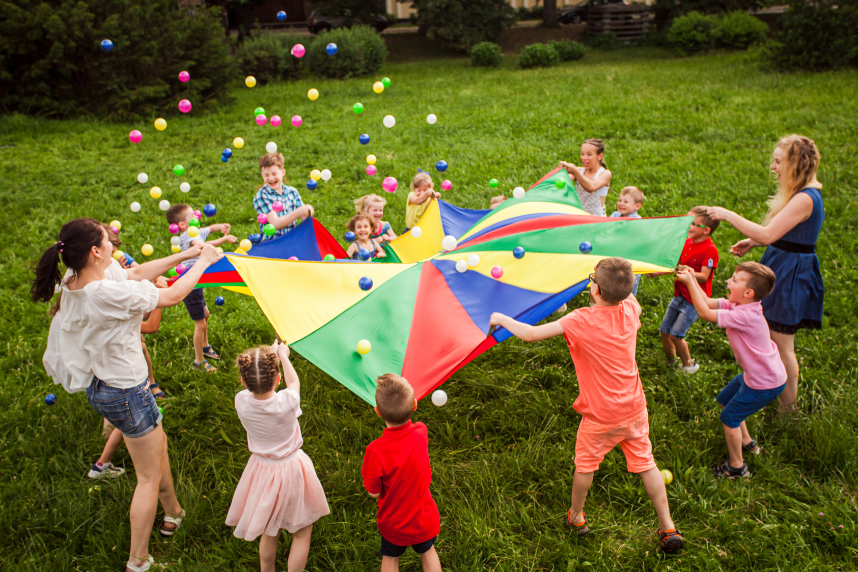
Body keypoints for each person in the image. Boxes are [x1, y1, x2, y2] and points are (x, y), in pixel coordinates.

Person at [30, 217, 223, 572]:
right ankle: (138, 560)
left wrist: (189, 252)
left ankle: (174, 512)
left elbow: (136, 274)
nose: (113, 245)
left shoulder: (75, 280)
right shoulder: (105, 293)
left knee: (157, 442)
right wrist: (204, 262)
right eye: (108, 241)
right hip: (128, 391)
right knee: (146, 476)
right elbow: (172, 295)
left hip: (102, 389)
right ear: (95, 251)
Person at [489, 258, 684, 553]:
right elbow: (631, 299)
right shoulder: (631, 310)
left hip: (600, 415)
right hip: (633, 408)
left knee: (586, 465)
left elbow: (529, 334)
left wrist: (500, 318)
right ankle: (667, 525)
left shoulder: (580, 319)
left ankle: (576, 516)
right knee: (647, 464)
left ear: (595, 289)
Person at [706, 135, 824, 414]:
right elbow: (784, 234)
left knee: (782, 342)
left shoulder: (806, 198)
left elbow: (770, 232)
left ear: (796, 164)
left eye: (779, 161)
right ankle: (767, 385)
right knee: (771, 335)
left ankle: (788, 410)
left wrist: (728, 215)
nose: (773, 167)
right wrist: (756, 242)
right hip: (782, 262)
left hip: (791, 273)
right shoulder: (801, 193)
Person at [225, 343, 329, 572]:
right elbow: (295, 383)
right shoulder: (287, 402)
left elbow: (260, 384)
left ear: (243, 381)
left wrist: (270, 357)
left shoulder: (241, 401)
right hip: (292, 470)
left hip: (262, 470)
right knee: (302, 532)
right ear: (278, 378)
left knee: (270, 528)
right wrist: (283, 355)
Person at [676, 262, 786, 478]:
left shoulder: (746, 316)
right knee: (725, 400)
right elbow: (707, 302)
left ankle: (736, 467)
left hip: (764, 383)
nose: (727, 281)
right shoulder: (741, 306)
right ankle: (747, 442)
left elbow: (706, 313)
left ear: (748, 292)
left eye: (734, 279)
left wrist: (689, 283)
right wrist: (692, 279)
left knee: (729, 418)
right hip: (757, 375)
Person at [362, 374, 442, 572]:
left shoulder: (375, 450)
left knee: (390, 557)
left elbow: (373, 492)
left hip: (394, 524)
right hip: (424, 519)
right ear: (415, 405)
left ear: (377, 411)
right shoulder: (421, 431)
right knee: (428, 551)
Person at [165, 204, 236, 373]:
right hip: (190, 284)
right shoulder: (187, 236)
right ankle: (198, 360)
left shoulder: (195, 231)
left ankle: (205, 346)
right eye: (191, 215)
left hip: (197, 282)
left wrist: (223, 230)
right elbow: (201, 245)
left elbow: (210, 229)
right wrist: (217, 253)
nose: (196, 216)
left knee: (206, 314)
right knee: (200, 323)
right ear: (182, 225)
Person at [659, 207, 720, 374]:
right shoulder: (687, 242)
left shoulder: (710, 250)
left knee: (676, 335)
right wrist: (658, 271)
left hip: (693, 300)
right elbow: (675, 266)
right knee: (664, 331)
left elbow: (704, 276)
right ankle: (672, 362)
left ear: (706, 230)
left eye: (693, 224)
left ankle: (689, 366)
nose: (689, 227)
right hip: (679, 295)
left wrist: (689, 273)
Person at [253, 152, 315, 241]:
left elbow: (304, 217)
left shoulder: (292, 192)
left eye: (274, 174)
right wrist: (299, 212)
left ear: (282, 172)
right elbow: (275, 224)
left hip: (291, 242)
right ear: (262, 175)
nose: (271, 178)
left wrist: (308, 212)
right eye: (266, 175)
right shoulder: (262, 195)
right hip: (272, 245)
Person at [559, 138, 612, 217]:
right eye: (582, 154)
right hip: (580, 216)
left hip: (597, 220)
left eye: (589, 154)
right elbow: (563, 182)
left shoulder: (605, 173)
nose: (584, 158)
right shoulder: (579, 171)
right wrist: (561, 171)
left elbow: (591, 187)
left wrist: (574, 171)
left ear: (600, 156)